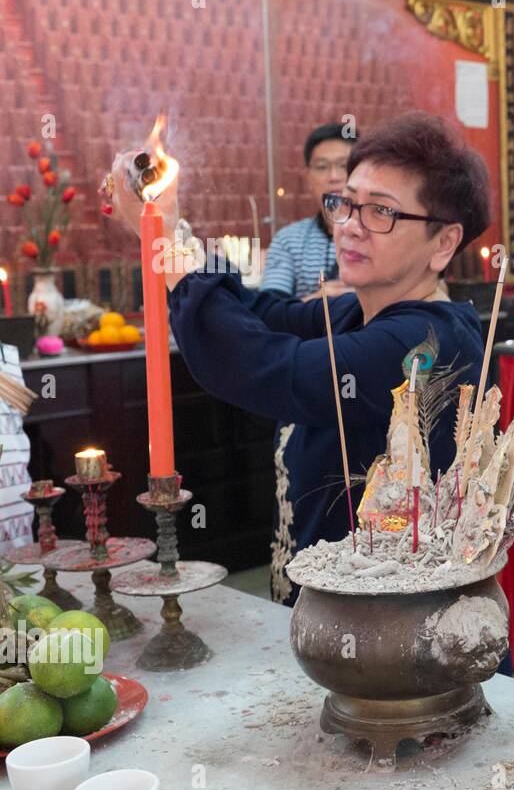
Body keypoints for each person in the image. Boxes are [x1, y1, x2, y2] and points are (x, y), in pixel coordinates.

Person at [110, 112, 487, 606]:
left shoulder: (427, 344)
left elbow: (263, 364)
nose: (350, 227)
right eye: (345, 205)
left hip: (396, 638)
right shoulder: (360, 312)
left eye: (381, 213)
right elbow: (266, 315)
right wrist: (169, 227)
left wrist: (163, 245)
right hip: (327, 621)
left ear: (443, 243)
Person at [259, 122, 357, 301]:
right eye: (321, 167)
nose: (334, 176)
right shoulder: (288, 240)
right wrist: (317, 301)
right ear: (308, 178)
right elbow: (269, 312)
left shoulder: (381, 234)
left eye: (344, 166)